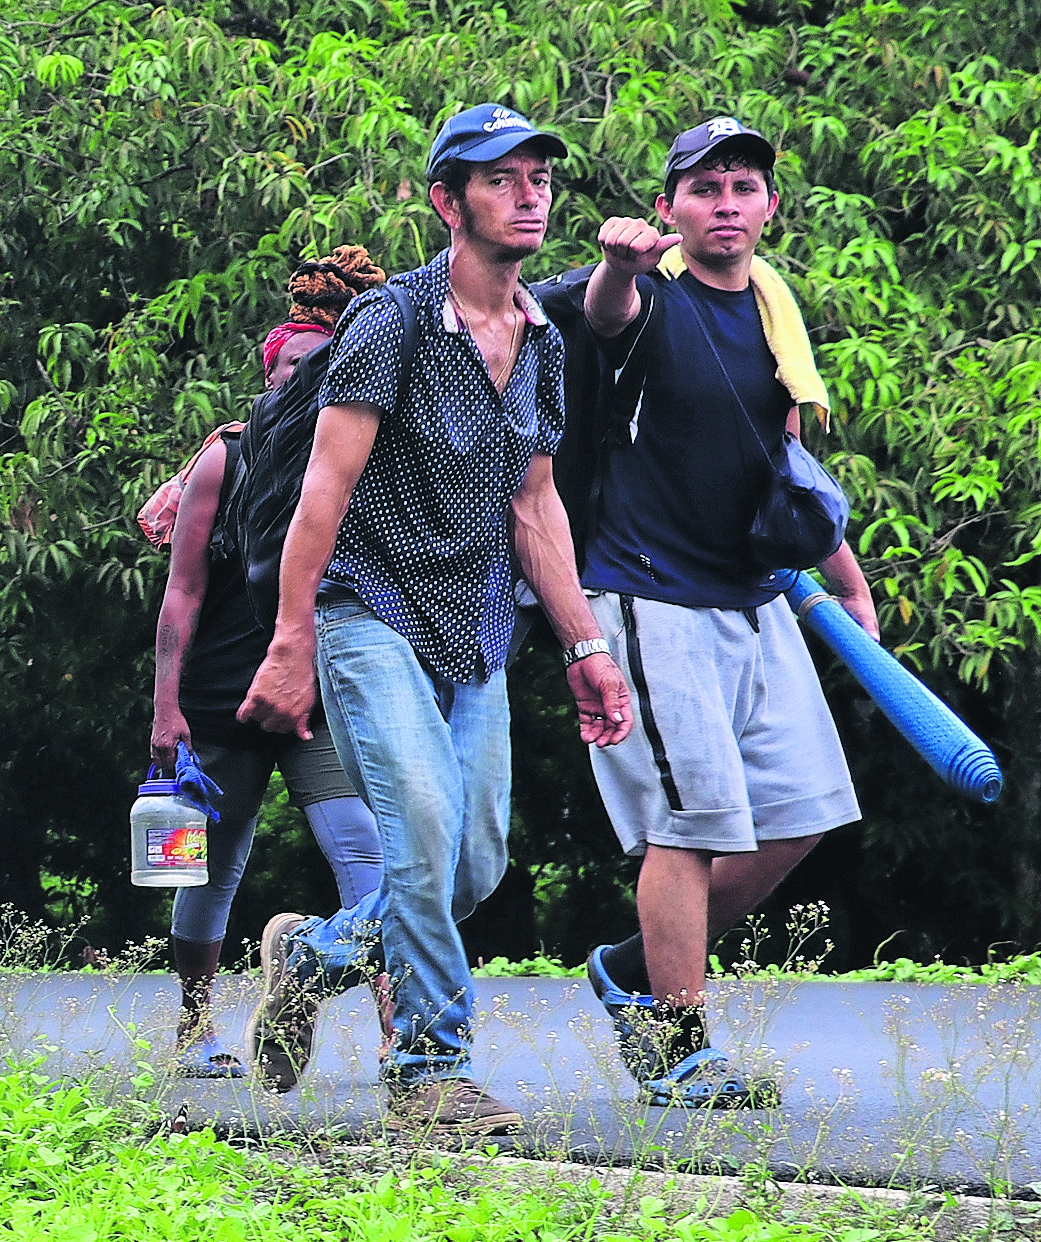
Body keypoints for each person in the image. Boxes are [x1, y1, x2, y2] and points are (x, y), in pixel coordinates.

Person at [238, 104, 633, 1134]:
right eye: (500, 179)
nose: (529, 193)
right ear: (446, 201)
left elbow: (534, 500)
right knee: (419, 828)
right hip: (367, 606)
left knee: (474, 862)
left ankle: (313, 955)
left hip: (477, 627)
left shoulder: (542, 340)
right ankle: (428, 1069)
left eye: (538, 175)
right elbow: (322, 491)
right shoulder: (394, 320)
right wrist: (291, 641)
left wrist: (585, 643)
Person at [572, 118, 873, 1108]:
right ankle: (680, 1042)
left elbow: (782, 462)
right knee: (690, 823)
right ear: (669, 210)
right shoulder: (650, 299)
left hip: (756, 594)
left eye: (741, 186)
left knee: (803, 814)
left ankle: (629, 967)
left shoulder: (775, 310)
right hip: (651, 591)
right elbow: (604, 316)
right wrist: (619, 267)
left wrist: (848, 576)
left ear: (767, 206)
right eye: (702, 189)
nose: (725, 203)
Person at [150, 253, 392, 1079]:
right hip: (220, 698)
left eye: (312, 366)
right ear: (266, 373)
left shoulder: (357, 455)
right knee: (211, 868)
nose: (298, 377)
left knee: (363, 853)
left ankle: (403, 1034)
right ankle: (193, 1025)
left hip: (319, 694)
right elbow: (180, 593)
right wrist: (164, 711)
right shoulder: (224, 457)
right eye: (286, 366)